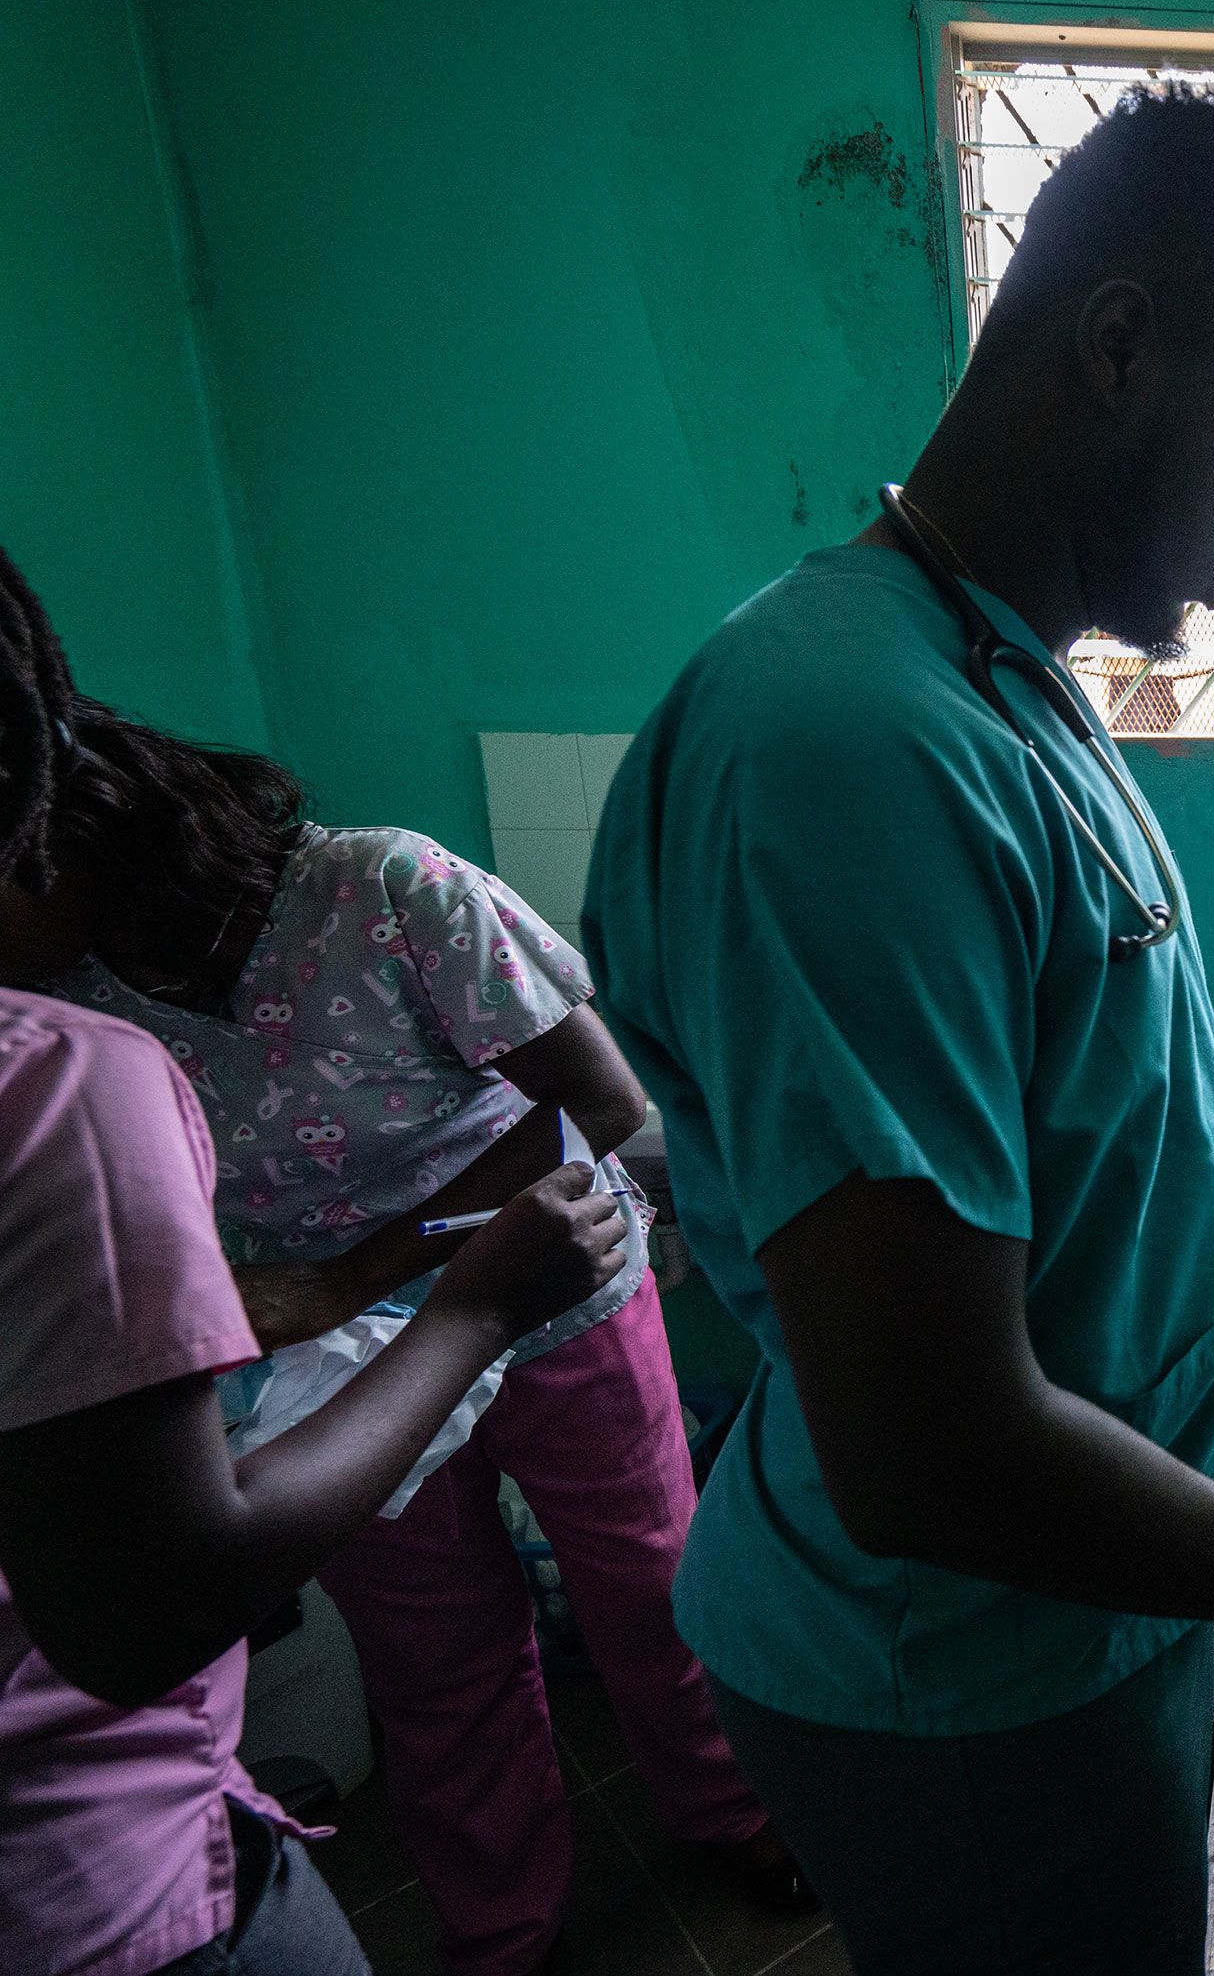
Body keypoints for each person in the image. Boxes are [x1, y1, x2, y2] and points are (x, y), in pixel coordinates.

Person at [580, 84, 1214, 1974]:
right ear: (1119, 344)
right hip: (968, 1671)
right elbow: (931, 1445)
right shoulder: (845, 747)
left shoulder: (1010, 690)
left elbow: (1127, 1163)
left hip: (1096, 1609)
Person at [21, 645, 802, 1968]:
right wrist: (316, 1304)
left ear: (76, 846)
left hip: (554, 1287)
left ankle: (730, 1810)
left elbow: (604, 1107)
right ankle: (502, 1921)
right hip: (341, 1368)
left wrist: (353, 1275)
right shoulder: (66, 992)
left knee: (651, 1583)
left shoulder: (384, 887)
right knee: (436, 1658)